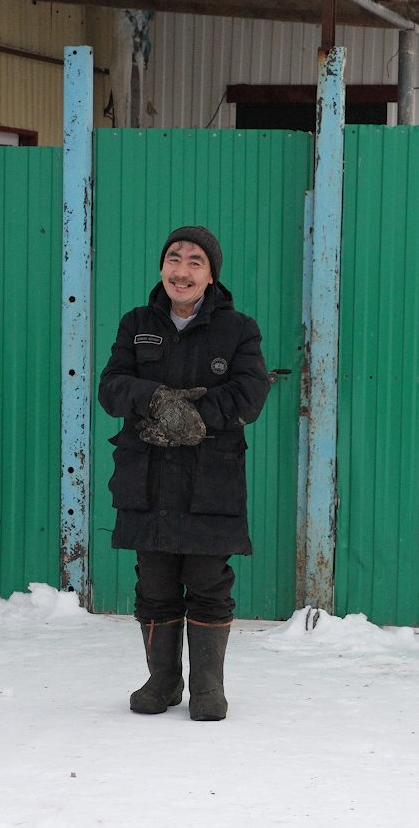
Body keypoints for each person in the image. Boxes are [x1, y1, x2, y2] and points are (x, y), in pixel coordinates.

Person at [97, 225, 270, 721]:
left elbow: (251, 393)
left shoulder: (238, 329)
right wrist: (154, 399)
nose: (182, 270)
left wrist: (194, 414)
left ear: (211, 275)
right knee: (154, 582)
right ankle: (163, 681)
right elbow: (111, 386)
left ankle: (207, 687)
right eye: (174, 258)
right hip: (147, 476)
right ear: (161, 268)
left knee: (208, 580)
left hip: (209, 480)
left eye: (196, 261)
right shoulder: (136, 324)